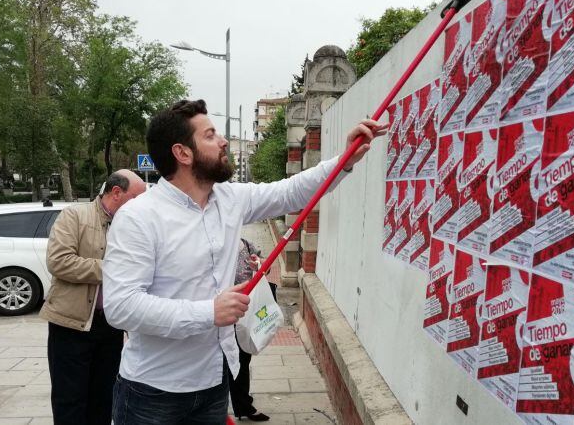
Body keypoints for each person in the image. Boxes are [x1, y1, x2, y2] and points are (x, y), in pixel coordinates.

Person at [103, 99, 383, 425]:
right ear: (183, 153)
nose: (223, 141)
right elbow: (121, 306)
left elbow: (290, 192)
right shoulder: (138, 217)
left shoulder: (229, 199)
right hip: (152, 394)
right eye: (210, 136)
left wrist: (345, 159)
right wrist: (209, 312)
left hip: (214, 383)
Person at [40, 169, 145, 425]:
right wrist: (112, 270)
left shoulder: (133, 225)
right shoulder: (75, 215)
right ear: (116, 192)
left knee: (104, 398)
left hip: (111, 325)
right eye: (136, 198)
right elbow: (59, 261)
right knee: (70, 400)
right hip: (71, 324)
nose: (142, 205)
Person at [229, 238, 270, 422]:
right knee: (232, 361)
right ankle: (241, 405)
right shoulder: (216, 246)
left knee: (243, 357)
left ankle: (242, 404)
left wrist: (259, 264)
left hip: (247, 310)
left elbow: (265, 266)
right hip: (225, 311)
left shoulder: (245, 244)